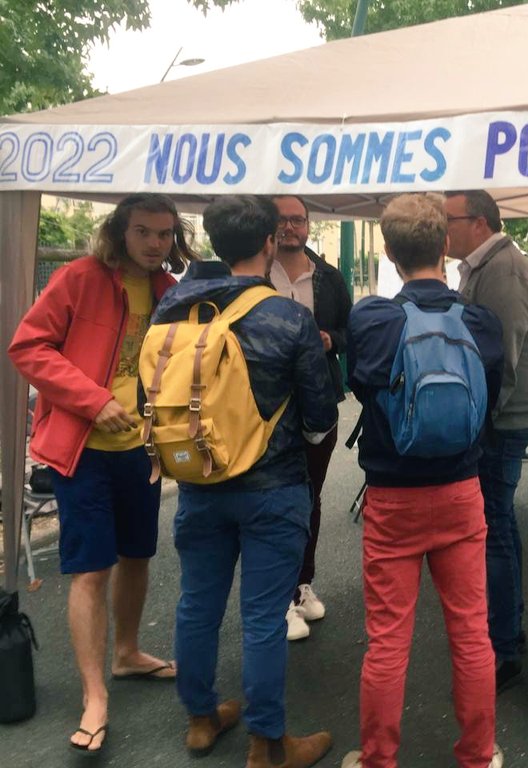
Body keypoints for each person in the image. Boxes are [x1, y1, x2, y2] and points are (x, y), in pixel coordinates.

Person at [7, 194, 194, 755]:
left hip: (142, 448)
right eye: (144, 231)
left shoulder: (168, 291)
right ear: (121, 231)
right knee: (91, 568)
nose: (156, 243)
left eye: (164, 233)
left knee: (138, 554)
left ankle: (128, 653)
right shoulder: (78, 278)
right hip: (83, 448)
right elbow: (27, 346)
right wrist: (91, 400)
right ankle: (94, 695)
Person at [155, 196, 338, 766]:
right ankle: (267, 743)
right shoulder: (286, 315)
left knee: (197, 604)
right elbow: (319, 416)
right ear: (266, 243)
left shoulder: (173, 309)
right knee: (262, 617)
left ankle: (201, 720)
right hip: (273, 488)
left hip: (198, 483)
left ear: (211, 238)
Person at [343, 193, 505, 768]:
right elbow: (491, 399)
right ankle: (478, 756)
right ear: (444, 246)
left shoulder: (371, 318)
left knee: (387, 639)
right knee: (470, 632)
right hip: (462, 492)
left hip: (392, 498)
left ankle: (378, 759)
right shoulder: (481, 323)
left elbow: (362, 388)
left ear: (387, 252)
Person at [444, 190, 528, 694]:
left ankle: (503, 646)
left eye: (450, 220)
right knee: (499, 525)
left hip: (501, 419)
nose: (443, 229)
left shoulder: (503, 269)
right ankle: (506, 636)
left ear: (478, 222)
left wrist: (474, 423)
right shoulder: (483, 264)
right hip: (501, 417)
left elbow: (500, 361)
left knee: (495, 529)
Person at [270, 194, 353, 642]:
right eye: (281, 220)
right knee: (274, 499)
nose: (290, 227)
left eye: (297, 219)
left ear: (308, 224)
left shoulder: (329, 278)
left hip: (318, 401)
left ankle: (302, 584)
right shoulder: (255, 275)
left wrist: (329, 340)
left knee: (311, 496)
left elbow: (349, 330)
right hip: (263, 407)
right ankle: (277, 596)